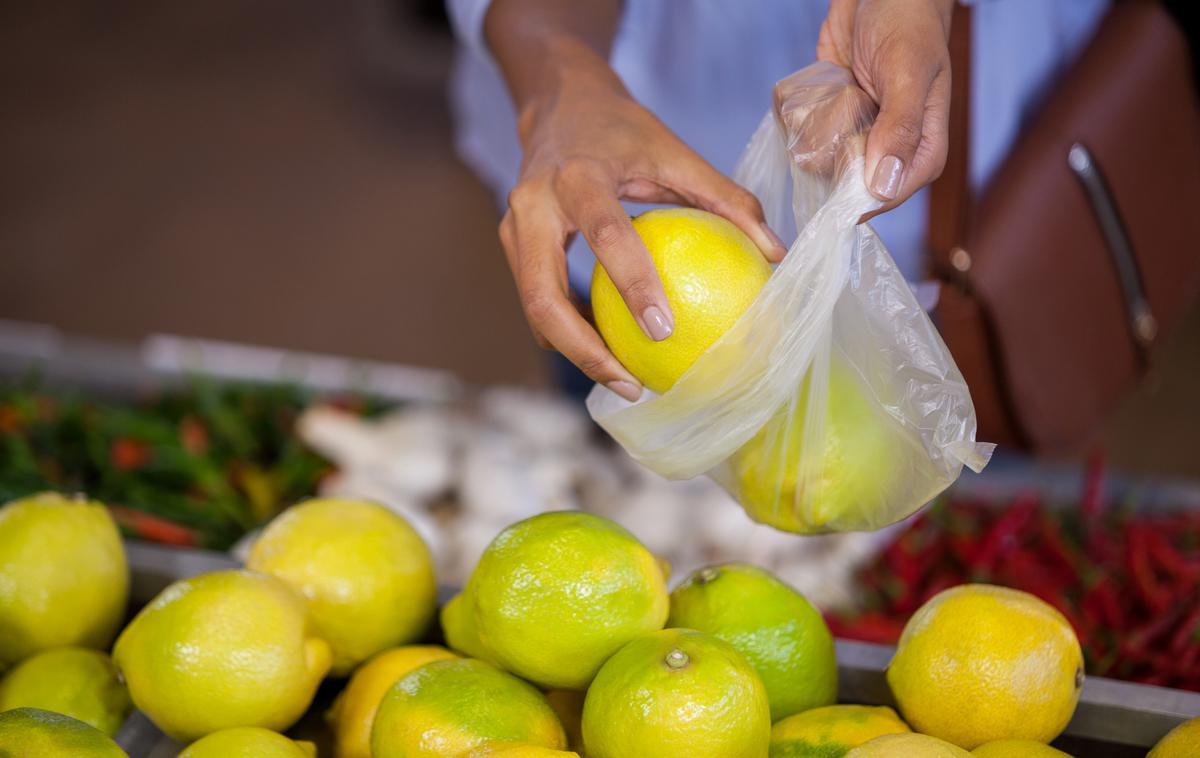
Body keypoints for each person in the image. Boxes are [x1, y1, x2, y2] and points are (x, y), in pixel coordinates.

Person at [447, 0, 1110, 401]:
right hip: (614, 190)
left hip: (977, 199)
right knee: (636, 504)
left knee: (995, 459)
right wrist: (559, 74)